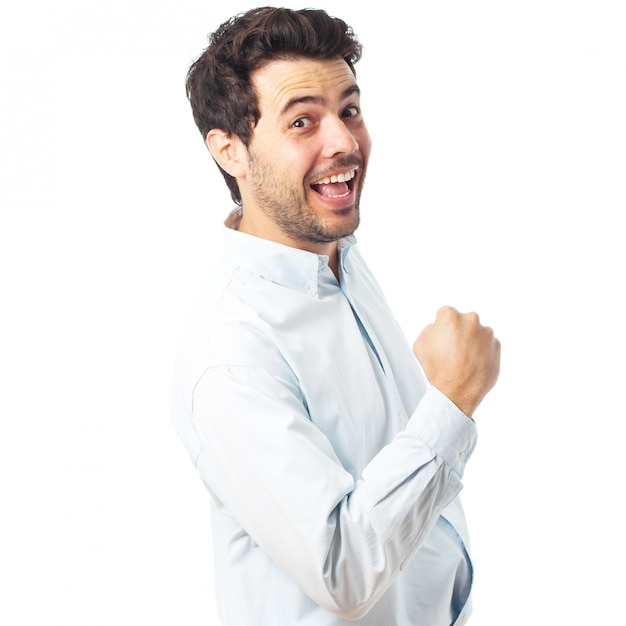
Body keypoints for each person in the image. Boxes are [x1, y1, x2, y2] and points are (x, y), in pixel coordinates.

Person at [170, 6, 501, 625]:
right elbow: (344, 569)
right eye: (303, 121)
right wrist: (451, 401)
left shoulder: (338, 257)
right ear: (230, 151)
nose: (345, 142)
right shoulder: (230, 355)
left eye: (349, 109)